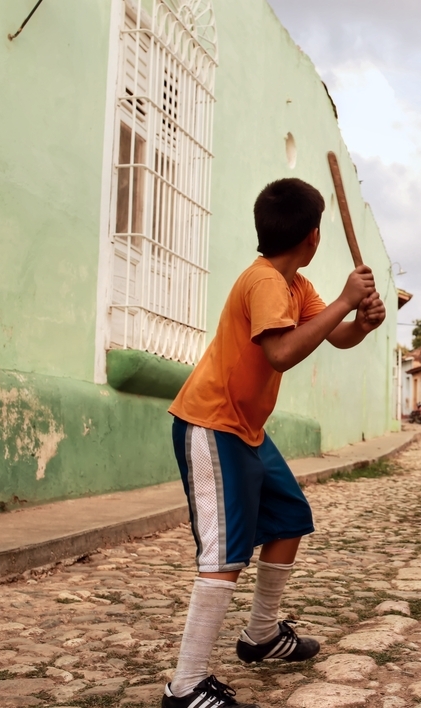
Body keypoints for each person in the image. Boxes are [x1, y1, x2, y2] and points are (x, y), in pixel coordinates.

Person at [163, 178, 385, 708]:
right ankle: (186, 684)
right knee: (224, 553)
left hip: (247, 429)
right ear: (313, 236)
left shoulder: (295, 284)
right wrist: (346, 299)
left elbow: (333, 335)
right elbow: (281, 353)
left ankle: (261, 636)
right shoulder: (263, 282)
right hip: (211, 424)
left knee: (289, 518)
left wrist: (362, 322)